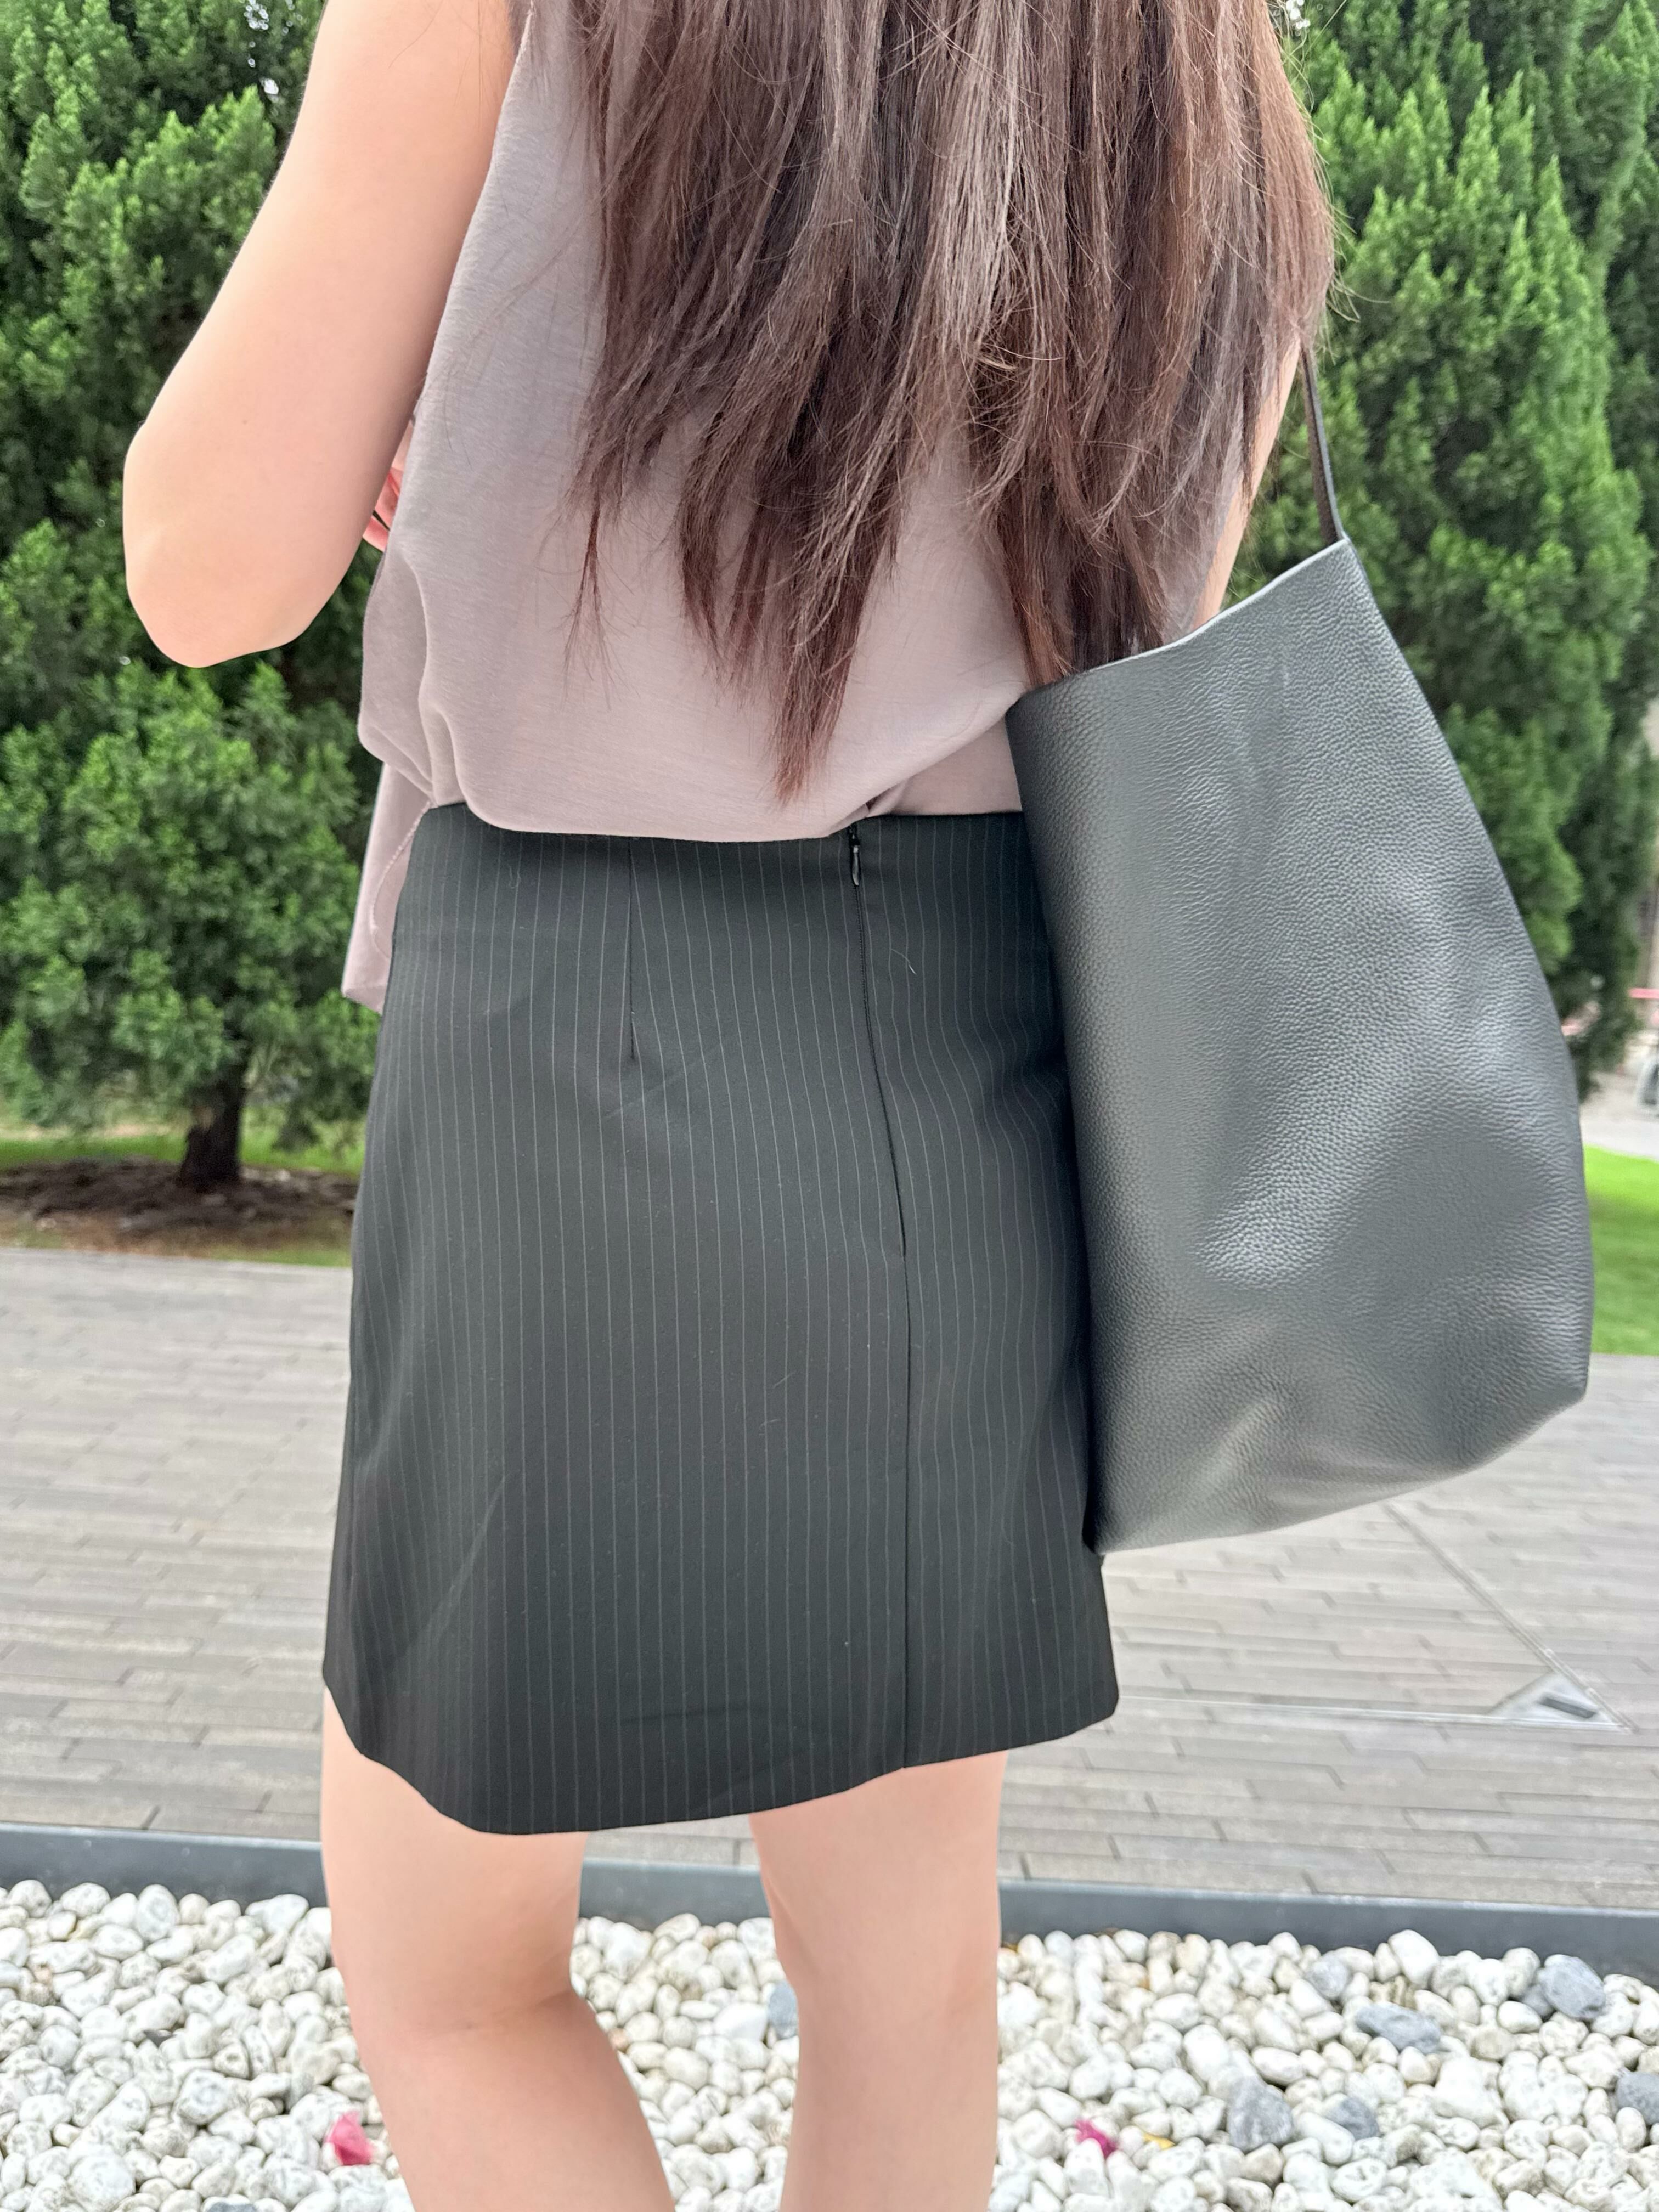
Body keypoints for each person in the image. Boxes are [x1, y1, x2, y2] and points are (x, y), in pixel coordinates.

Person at [121, 0, 1333, 2200]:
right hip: (980, 1046)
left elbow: (206, 566)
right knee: (905, 1988)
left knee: (457, 1978)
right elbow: (1149, 602)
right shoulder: (1190, 51)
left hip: (574, 1029)